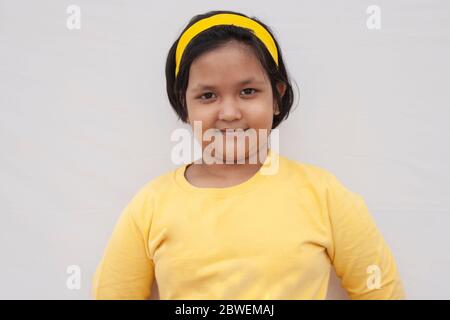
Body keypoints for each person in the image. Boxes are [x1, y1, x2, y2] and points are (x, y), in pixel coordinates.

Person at [92, 10, 405, 300]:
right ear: (184, 104)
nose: (229, 112)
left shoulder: (324, 195)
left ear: (277, 97)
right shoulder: (150, 206)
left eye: (248, 91)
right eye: (208, 95)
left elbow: (380, 291)